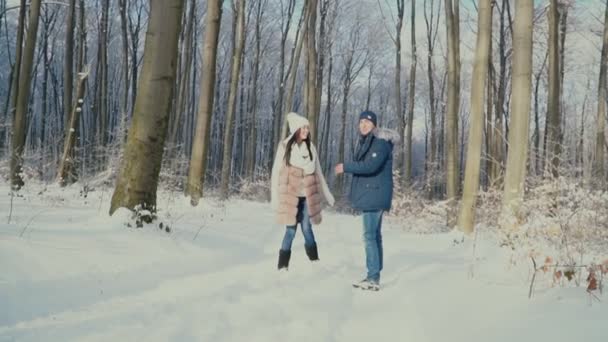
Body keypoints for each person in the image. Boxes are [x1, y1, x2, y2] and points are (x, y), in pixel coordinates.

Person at [335, 110, 398, 291]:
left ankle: (372, 277)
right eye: (361, 121)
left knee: (369, 236)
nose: (363, 125)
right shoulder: (371, 142)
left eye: (367, 122)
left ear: (374, 125)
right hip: (374, 194)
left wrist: (345, 167)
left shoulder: (380, 143)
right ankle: (375, 274)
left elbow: (370, 166)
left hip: (375, 195)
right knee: (375, 236)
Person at [271, 112, 335, 270]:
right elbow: (275, 172)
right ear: (296, 129)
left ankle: (314, 261)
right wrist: (274, 198)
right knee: (290, 230)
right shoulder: (284, 147)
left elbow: (318, 172)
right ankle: (282, 266)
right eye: (303, 127)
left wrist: (328, 195)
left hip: (306, 197)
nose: (306, 130)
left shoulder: (311, 147)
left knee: (307, 228)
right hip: (289, 196)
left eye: (307, 127)